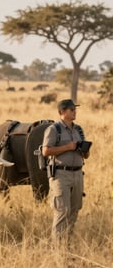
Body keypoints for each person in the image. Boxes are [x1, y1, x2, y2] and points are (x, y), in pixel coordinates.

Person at [41, 99, 90, 239]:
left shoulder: (78, 129)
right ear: (62, 112)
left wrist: (85, 151)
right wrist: (67, 147)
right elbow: (46, 151)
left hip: (78, 174)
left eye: (75, 109)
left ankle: (66, 244)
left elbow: (85, 155)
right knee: (62, 211)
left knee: (74, 210)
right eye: (72, 110)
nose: (75, 112)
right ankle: (58, 251)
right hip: (61, 174)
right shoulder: (53, 129)